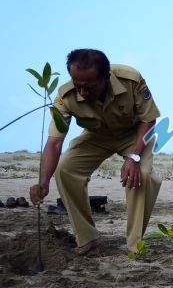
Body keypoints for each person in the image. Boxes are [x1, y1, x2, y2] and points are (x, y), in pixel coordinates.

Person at [29, 49, 162, 255]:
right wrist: (43, 180)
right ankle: (88, 238)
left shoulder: (131, 80)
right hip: (96, 136)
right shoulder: (65, 96)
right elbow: (55, 143)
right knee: (65, 170)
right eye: (77, 85)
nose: (82, 92)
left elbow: (149, 119)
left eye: (89, 87)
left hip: (134, 135)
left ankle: (135, 245)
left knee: (141, 175)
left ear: (105, 77)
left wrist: (134, 157)